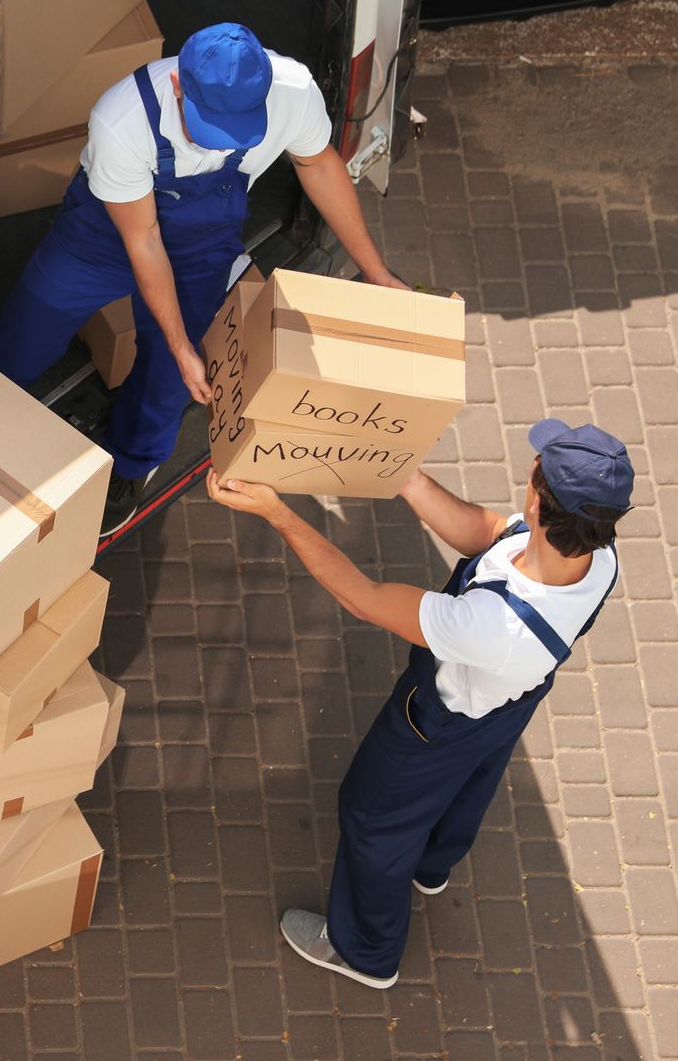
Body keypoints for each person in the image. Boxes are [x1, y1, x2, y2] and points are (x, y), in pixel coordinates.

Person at [207, 420, 631, 989]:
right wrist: (403, 476)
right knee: (470, 783)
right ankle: (432, 865)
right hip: (507, 702)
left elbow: (363, 598)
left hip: (436, 723)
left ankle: (365, 950)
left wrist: (277, 513)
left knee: (372, 816)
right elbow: (485, 531)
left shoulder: (491, 626)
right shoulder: (596, 556)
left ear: (538, 496)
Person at [0, 22, 411, 534]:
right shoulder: (124, 119)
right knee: (25, 332)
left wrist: (377, 271)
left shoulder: (292, 92)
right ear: (179, 85)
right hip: (106, 233)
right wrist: (180, 338)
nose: (220, 142)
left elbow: (318, 164)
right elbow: (143, 241)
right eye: (207, 124)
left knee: (172, 378)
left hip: (200, 247)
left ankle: (130, 467)